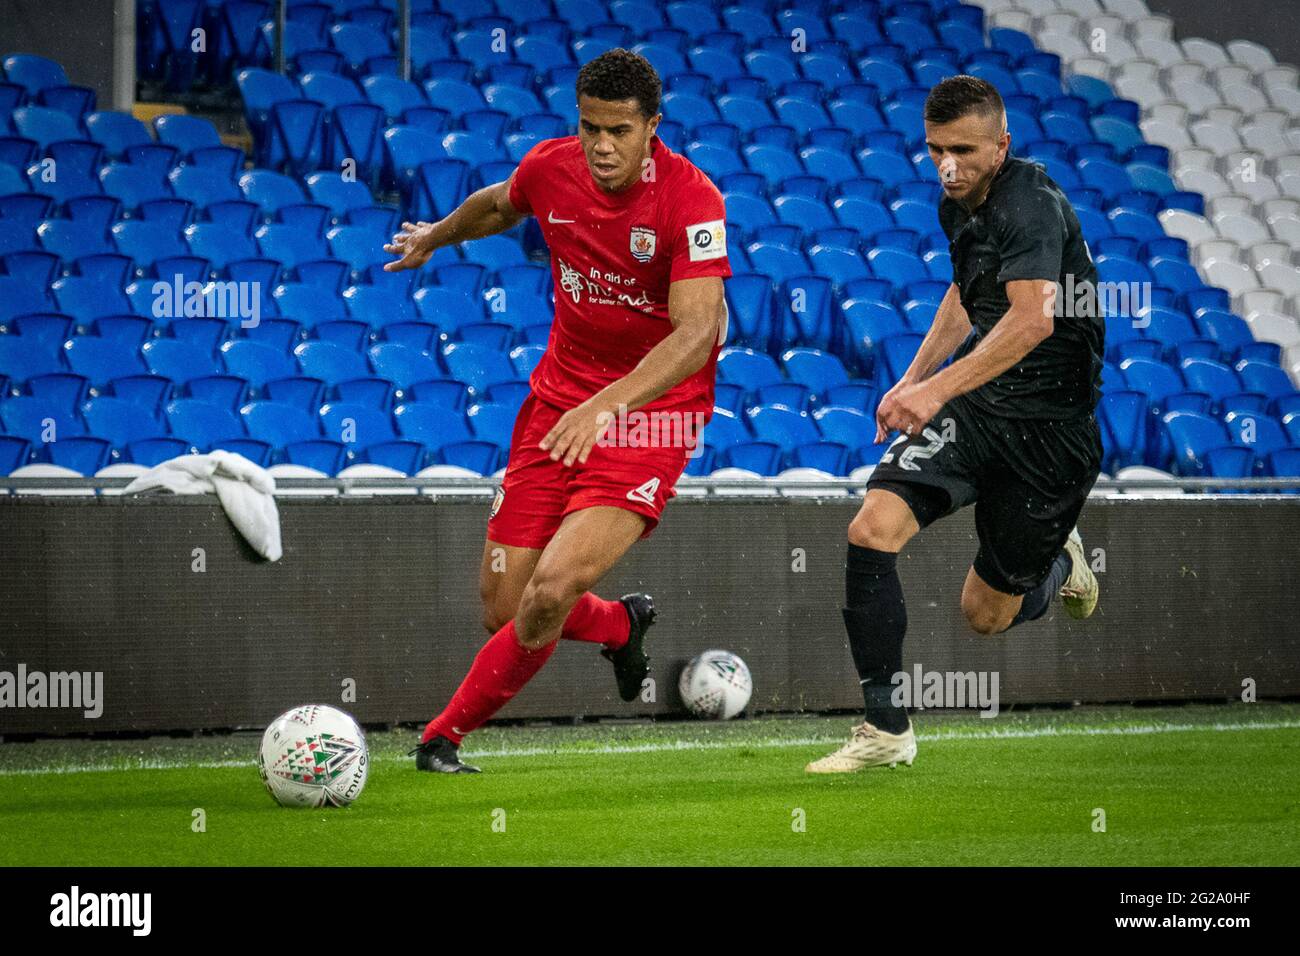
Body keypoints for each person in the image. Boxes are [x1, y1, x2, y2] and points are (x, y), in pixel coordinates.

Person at [384, 49, 732, 773]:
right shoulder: (553, 167)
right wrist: (434, 237)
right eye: (590, 128)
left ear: (652, 129)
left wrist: (609, 407)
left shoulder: (692, 201)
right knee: (506, 608)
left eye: (619, 131)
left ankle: (440, 738)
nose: (602, 146)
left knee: (550, 588)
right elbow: (499, 203)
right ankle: (619, 624)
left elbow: (697, 332)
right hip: (555, 407)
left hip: (649, 418)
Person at [807, 75, 1104, 774]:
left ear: (1003, 144)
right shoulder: (959, 204)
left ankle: (1064, 562)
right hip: (980, 408)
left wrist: (933, 391)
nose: (948, 166)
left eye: (965, 150)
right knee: (870, 528)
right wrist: (912, 380)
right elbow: (970, 298)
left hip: (1051, 433)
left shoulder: (1030, 203)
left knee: (985, 615)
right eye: (937, 149)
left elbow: (1033, 318)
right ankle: (886, 730)